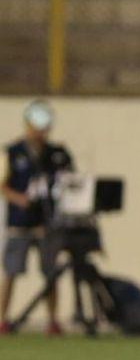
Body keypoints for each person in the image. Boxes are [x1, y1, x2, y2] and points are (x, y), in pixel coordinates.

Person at [1, 100, 74, 335]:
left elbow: (71, 181)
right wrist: (18, 199)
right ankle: (3, 318)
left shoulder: (57, 154)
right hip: (20, 224)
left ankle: (52, 320)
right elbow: (2, 185)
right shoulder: (12, 153)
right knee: (11, 272)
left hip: (46, 224)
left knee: (50, 273)